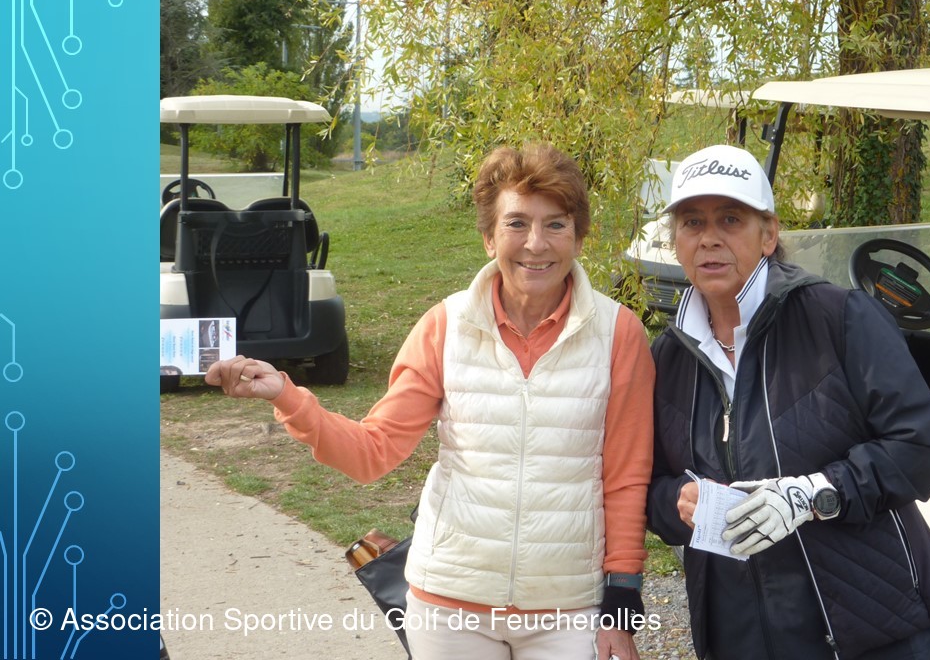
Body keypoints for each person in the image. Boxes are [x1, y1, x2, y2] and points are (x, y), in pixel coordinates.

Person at [207, 144, 655, 660]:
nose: (536, 243)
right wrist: (288, 396)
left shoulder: (618, 333)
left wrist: (622, 603)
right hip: (449, 607)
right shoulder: (445, 326)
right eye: (516, 223)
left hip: (568, 610)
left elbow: (625, 477)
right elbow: (372, 452)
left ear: (578, 236)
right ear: (489, 237)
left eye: (555, 224)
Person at [645, 144, 930, 660]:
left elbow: (922, 444)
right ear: (676, 241)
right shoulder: (667, 357)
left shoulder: (839, 317)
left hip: (872, 629)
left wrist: (813, 495)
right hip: (738, 632)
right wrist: (676, 502)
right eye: (692, 222)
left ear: (768, 234)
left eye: (731, 219)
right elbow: (649, 485)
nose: (709, 238)